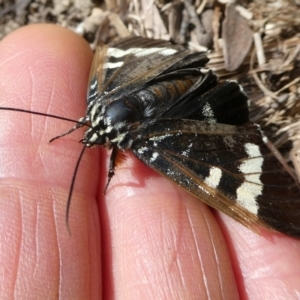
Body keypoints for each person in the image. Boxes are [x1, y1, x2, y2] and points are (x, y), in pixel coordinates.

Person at [0, 24, 299, 299]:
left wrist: (111, 174)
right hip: (165, 76)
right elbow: (113, 56)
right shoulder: (101, 96)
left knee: (209, 180)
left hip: (180, 90)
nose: (92, 138)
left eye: (96, 133)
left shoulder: (140, 140)